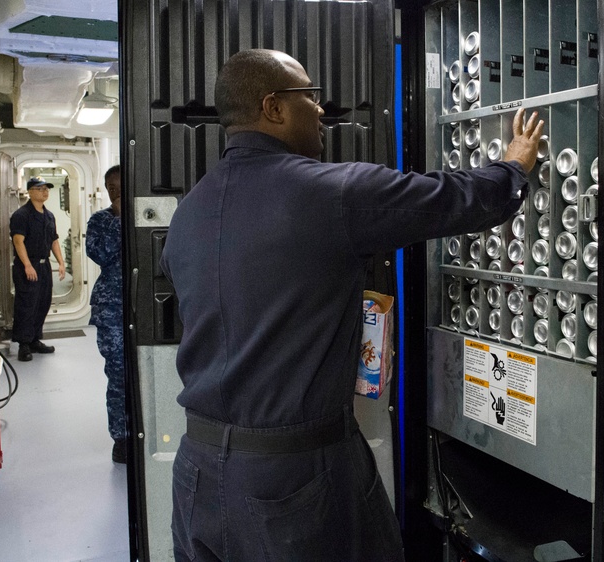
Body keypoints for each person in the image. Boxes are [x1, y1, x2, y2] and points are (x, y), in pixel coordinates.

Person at [160, 49, 543, 562]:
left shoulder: (189, 212)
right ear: (273, 107)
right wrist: (513, 164)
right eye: (309, 97)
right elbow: (450, 198)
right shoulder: (328, 194)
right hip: (293, 481)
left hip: (196, 475)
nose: (322, 110)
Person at [86, 164, 128, 464]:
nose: (115, 191)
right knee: (118, 374)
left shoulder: (147, 213)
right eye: (110, 187)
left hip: (144, 303)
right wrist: (119, 218)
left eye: (120, 186)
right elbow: (100, 254)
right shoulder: (100, 221)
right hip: (111, 308)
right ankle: (121, 437)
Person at [11, 176, 66, 362]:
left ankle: (35, 339)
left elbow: (54, 241)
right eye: (40, 188)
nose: (45, 192)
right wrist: (27, 265)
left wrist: (61, 262)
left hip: (44, 266)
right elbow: (18, 241)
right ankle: (23, 344)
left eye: (47, 189)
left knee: (43, 303)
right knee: (27, 304)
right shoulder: (21, 215)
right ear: (30, 191)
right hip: (28, 265)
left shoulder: (49, 216)